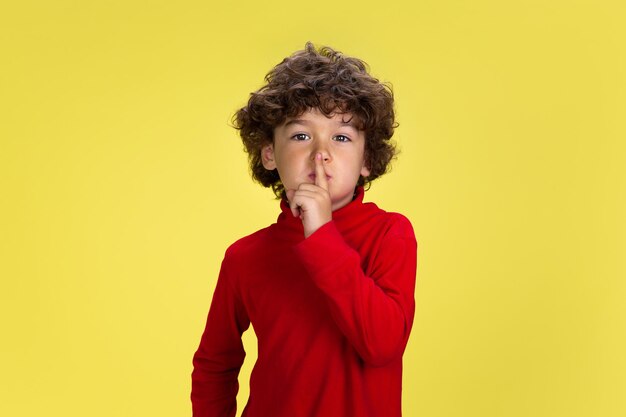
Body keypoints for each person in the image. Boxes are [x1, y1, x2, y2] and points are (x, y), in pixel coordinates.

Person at [191, 41, 418, 417]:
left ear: (367, 159)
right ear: (268, 153)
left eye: (342, 137)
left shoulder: (390, 234)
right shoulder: (244, 257)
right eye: (300, 136)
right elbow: (215, 364)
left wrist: (323, 235)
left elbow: (382, 345)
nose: (320, 153)